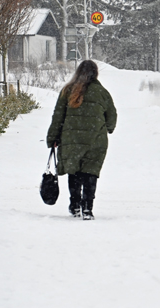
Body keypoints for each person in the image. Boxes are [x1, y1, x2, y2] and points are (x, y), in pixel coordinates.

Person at [46, 60, 117, 220]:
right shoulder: (102, 92)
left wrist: (53, 138)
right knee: (90, 172)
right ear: (95, 73)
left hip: (71, 140)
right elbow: (111, 117)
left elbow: (58, 116)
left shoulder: (68, 91)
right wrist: (107, 128)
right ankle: (87, 209)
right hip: (95, 140)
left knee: (75, 171)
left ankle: (75, 205)